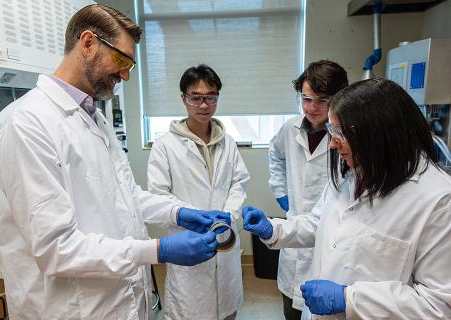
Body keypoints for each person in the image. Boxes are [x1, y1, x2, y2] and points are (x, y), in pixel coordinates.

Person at [0, 5, 228, 320]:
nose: (126, 75)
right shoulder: (25, 124)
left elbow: (125, 196)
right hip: (71, 309)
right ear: (87, 43)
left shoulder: (95, 117)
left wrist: (178, 212)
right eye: (122, 60)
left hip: (119, 302)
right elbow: (56, 248)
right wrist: (157, 251)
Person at [243, 78, 451, 319]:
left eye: (340, 133)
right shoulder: (354, 171)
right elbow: (320, 223)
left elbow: (439, 304)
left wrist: (349, 299)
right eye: (332, 131)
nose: (332, 143)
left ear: (379, 133)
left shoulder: (438, 201)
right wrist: (274, 229)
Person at [147, 64, 250, 320]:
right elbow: (158, 195)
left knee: (227, 311)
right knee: (191, 310)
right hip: (188, 241)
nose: (204, 105)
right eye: (196, 97)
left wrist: (229, 214)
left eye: (211, 97)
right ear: (184, 98)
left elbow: (239, 181)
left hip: (225, 241)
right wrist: (190, 215)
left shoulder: (227, 142)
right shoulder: (165, 146)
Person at [268, 60, 348, 319]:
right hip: (295, 229)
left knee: (320, 308)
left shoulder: (346, 136)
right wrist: (280, 190)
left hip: (331, 236)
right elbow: (276, 155)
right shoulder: (290, 127)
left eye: (322, 100)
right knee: (291, 306)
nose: (312, 107)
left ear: (339, 99)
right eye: (306, 98)